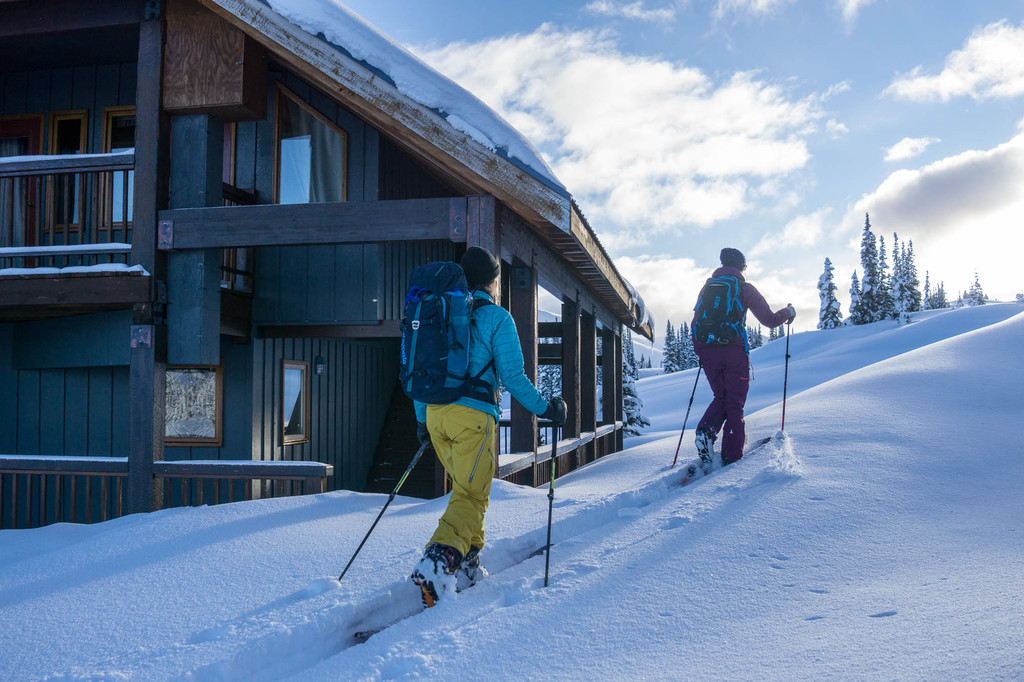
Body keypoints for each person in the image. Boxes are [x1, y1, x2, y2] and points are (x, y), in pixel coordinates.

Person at [411, 246, 567, 607]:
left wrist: (422, 421)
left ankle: (468, 563)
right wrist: (547, 408)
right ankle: (439, 559)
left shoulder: (438, 312)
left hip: (435, 415)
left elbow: (422, 372)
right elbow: (513, 378)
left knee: (471, 491)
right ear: (493, 282)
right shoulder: (497, 317)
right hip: (472, 418)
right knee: (470, 494)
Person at [691, 247, 794, 467]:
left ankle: (705, 432)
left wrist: (702, 352)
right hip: (734, 352)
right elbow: (770, 320)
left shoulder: (707, 288)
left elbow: (695, 324)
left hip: (708, 351)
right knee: (735, 403)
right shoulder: (744, 288)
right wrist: (789, 312)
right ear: (741, 267)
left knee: (721, 396)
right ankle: (732, 457)